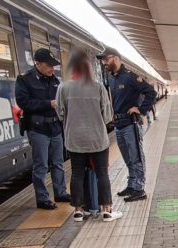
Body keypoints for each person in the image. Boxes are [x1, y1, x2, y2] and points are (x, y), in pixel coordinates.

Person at [56, 47, 121, 222]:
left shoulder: (64, 88)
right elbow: (108, 116)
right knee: (102, 174)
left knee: (77, 174)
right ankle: (107, 210)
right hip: (97, 139)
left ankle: (78, 210)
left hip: (74, 140)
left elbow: (60, 114)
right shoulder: (98, 87)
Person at [97, 47, 156, 202]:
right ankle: (131, 184)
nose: (104, 63)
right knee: (127, 157)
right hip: (118, 124)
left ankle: (139, 188)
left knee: (136, 156)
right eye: (103, 60)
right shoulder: (111, 78)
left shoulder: (130, 77)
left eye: (106, 59)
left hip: (131, 123)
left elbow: (151, 92)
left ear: (116, 58)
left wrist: (141, 109)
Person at [15, 48, 70, 210]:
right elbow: (24, 103)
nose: (52, 68)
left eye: (53, 65)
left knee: (58, 163)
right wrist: (48, 104)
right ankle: (42, 198)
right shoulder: (25, 80)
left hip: (55, 127)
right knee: (41, 166)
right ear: (38, 64)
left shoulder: (55, 81)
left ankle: (60, 193)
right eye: (49, 65)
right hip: (38, 129)